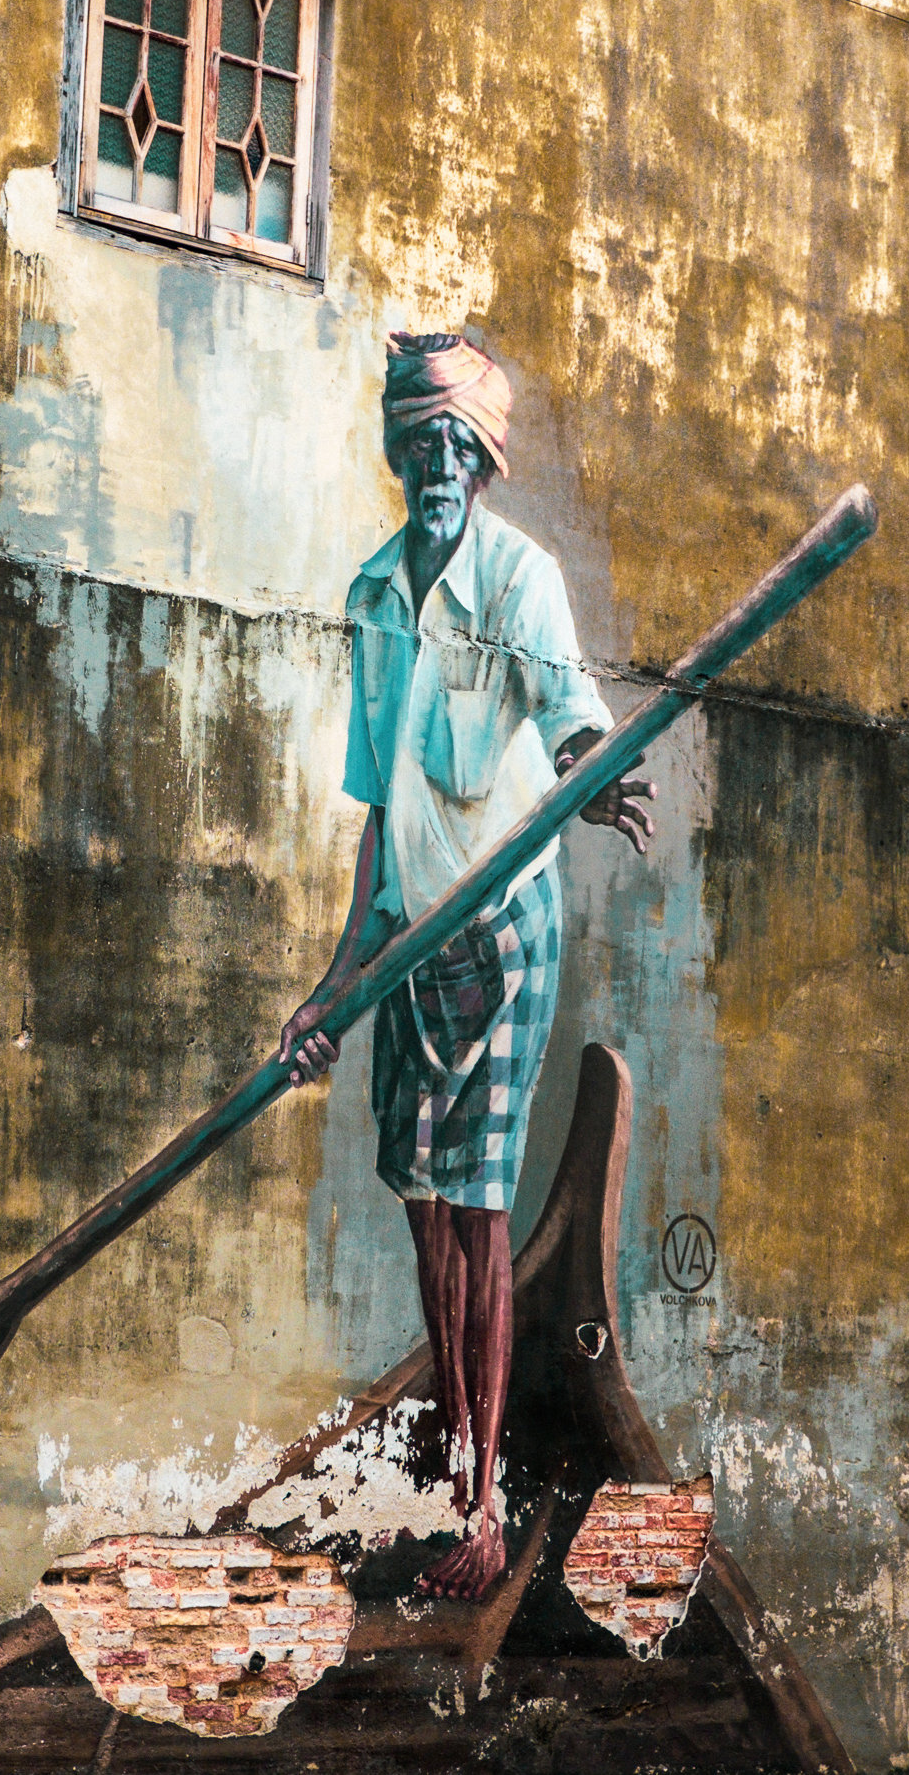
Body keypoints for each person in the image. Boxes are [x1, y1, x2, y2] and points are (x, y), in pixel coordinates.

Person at [279, 333, 656, 1603]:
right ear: (400, 455)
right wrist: (337, 985)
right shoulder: (375, 597)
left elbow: (574, 729)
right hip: (409, 939)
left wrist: (591, 780)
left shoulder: (520, 581)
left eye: (459, 445)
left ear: (485, 463)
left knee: (480, 1204)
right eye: (421, 444)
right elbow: (382, 815)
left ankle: (484, 1507)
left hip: (501, 932)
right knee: (422, 1201)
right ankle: (454, 1451)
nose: (439, 464)